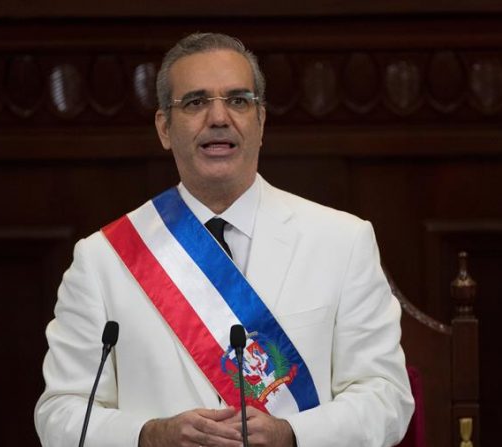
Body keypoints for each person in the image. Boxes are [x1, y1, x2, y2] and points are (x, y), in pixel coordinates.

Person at [34, 32, 413, 447]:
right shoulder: (104, 259)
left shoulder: (342, 241)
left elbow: (387, 398)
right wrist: (149, 436)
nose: (219, 118)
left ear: (261, 121)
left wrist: (293, 435)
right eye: (196, 102)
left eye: (238, 100)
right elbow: (60, 414)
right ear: (164, 127)